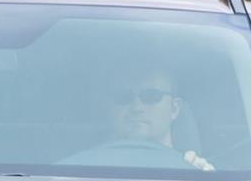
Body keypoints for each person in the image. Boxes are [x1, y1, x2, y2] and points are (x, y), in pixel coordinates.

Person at [63, 70, 215, 171]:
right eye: (123, 96)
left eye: (151, 96)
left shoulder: (195, 173)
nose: (137, 107)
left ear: (174, 108)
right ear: (108, 108)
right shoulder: (73, 171)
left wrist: (203, 177)